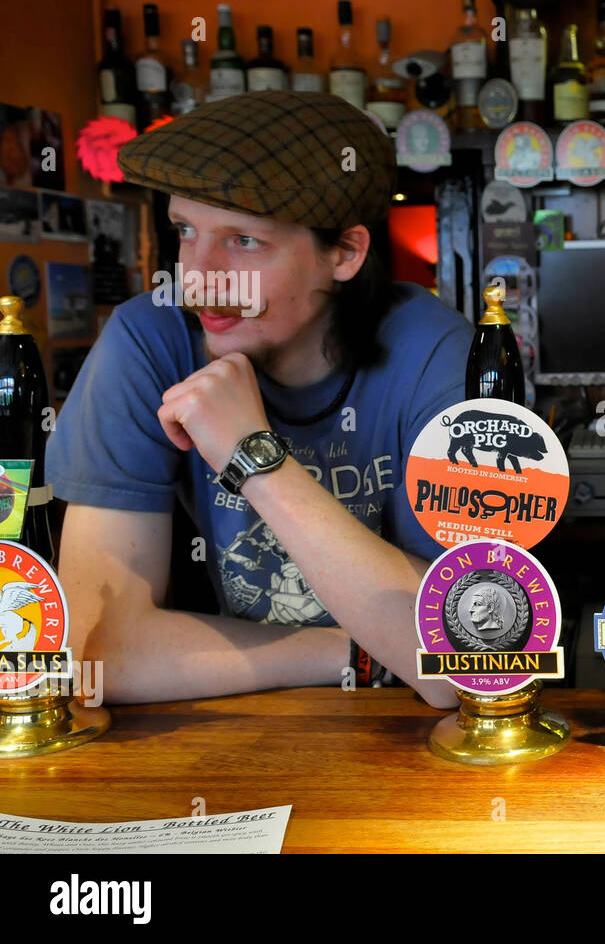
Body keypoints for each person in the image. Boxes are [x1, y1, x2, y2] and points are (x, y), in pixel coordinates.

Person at [47, 90, 473, 707]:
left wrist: (252, 455)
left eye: (244, 242)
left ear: (345, 253)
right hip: (228, 747)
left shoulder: (432, 351)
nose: (197, 278)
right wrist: (358, 654)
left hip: (406, 750)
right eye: (186, 231)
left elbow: (464, 661)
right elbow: (93, 654)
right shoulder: (151, 338)